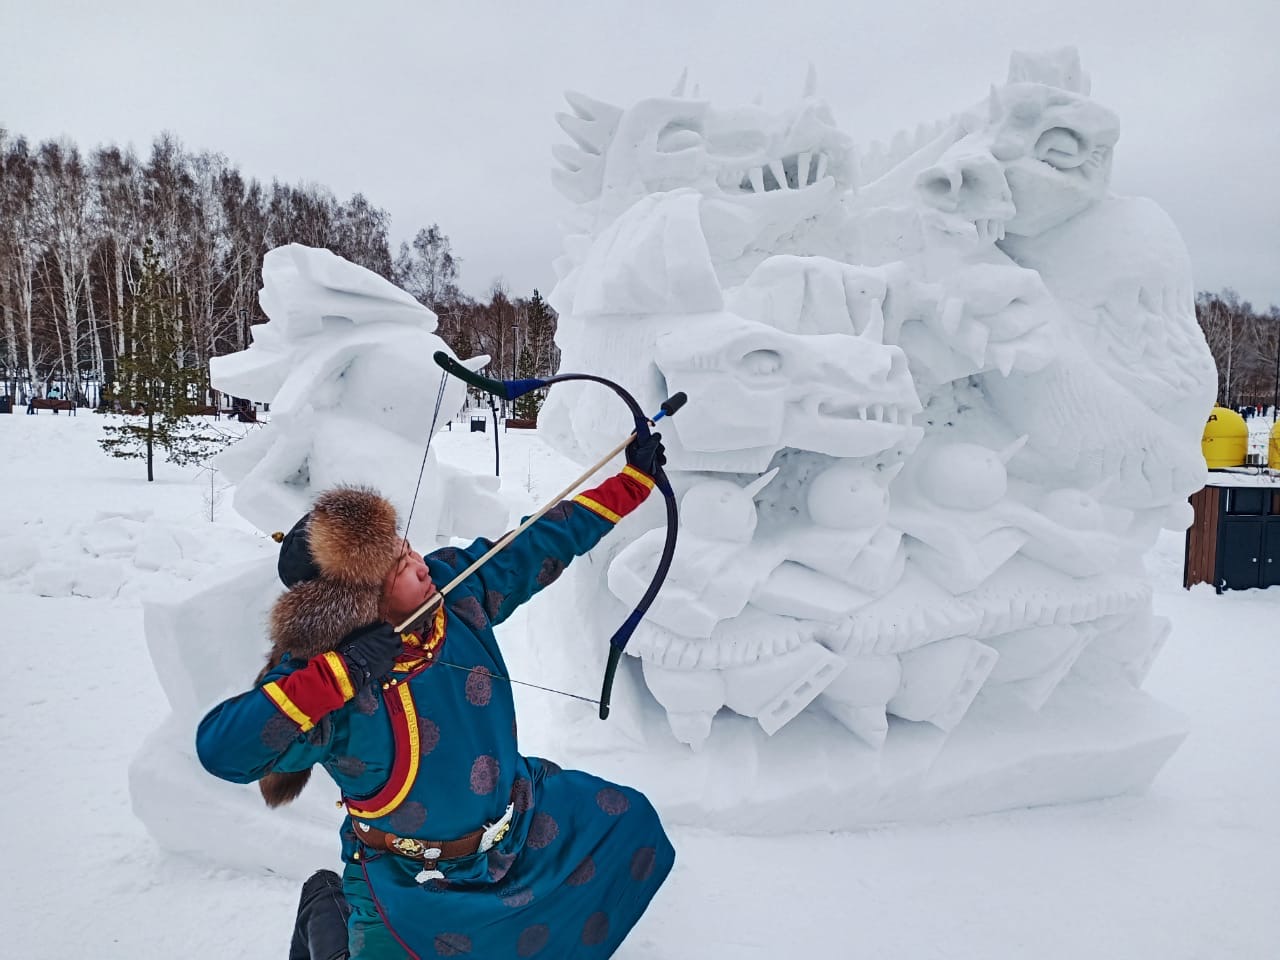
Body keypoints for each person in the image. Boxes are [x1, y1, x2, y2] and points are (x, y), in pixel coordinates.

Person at [197, 433, 674, 959]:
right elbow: (222, 749)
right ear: (361, 599)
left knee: (629, 826)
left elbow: (536, 545)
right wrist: (339, 674)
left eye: (406, 547)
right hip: (410, 884)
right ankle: (323, 903)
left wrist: (632, 482)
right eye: (399, 566)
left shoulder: (453, 590)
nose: (420, 562)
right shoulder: (328, 684)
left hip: (518, 834)